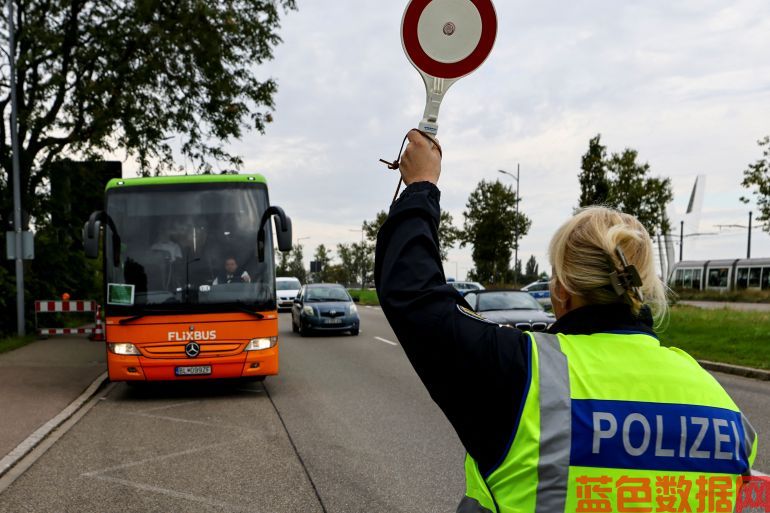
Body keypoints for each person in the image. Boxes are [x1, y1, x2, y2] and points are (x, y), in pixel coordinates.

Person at [374, 131, 757, 513]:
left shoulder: (522, 371)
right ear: (643, 287)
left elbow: (417, 296)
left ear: (563, 290)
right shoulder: (722, 407)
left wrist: (421, 186)